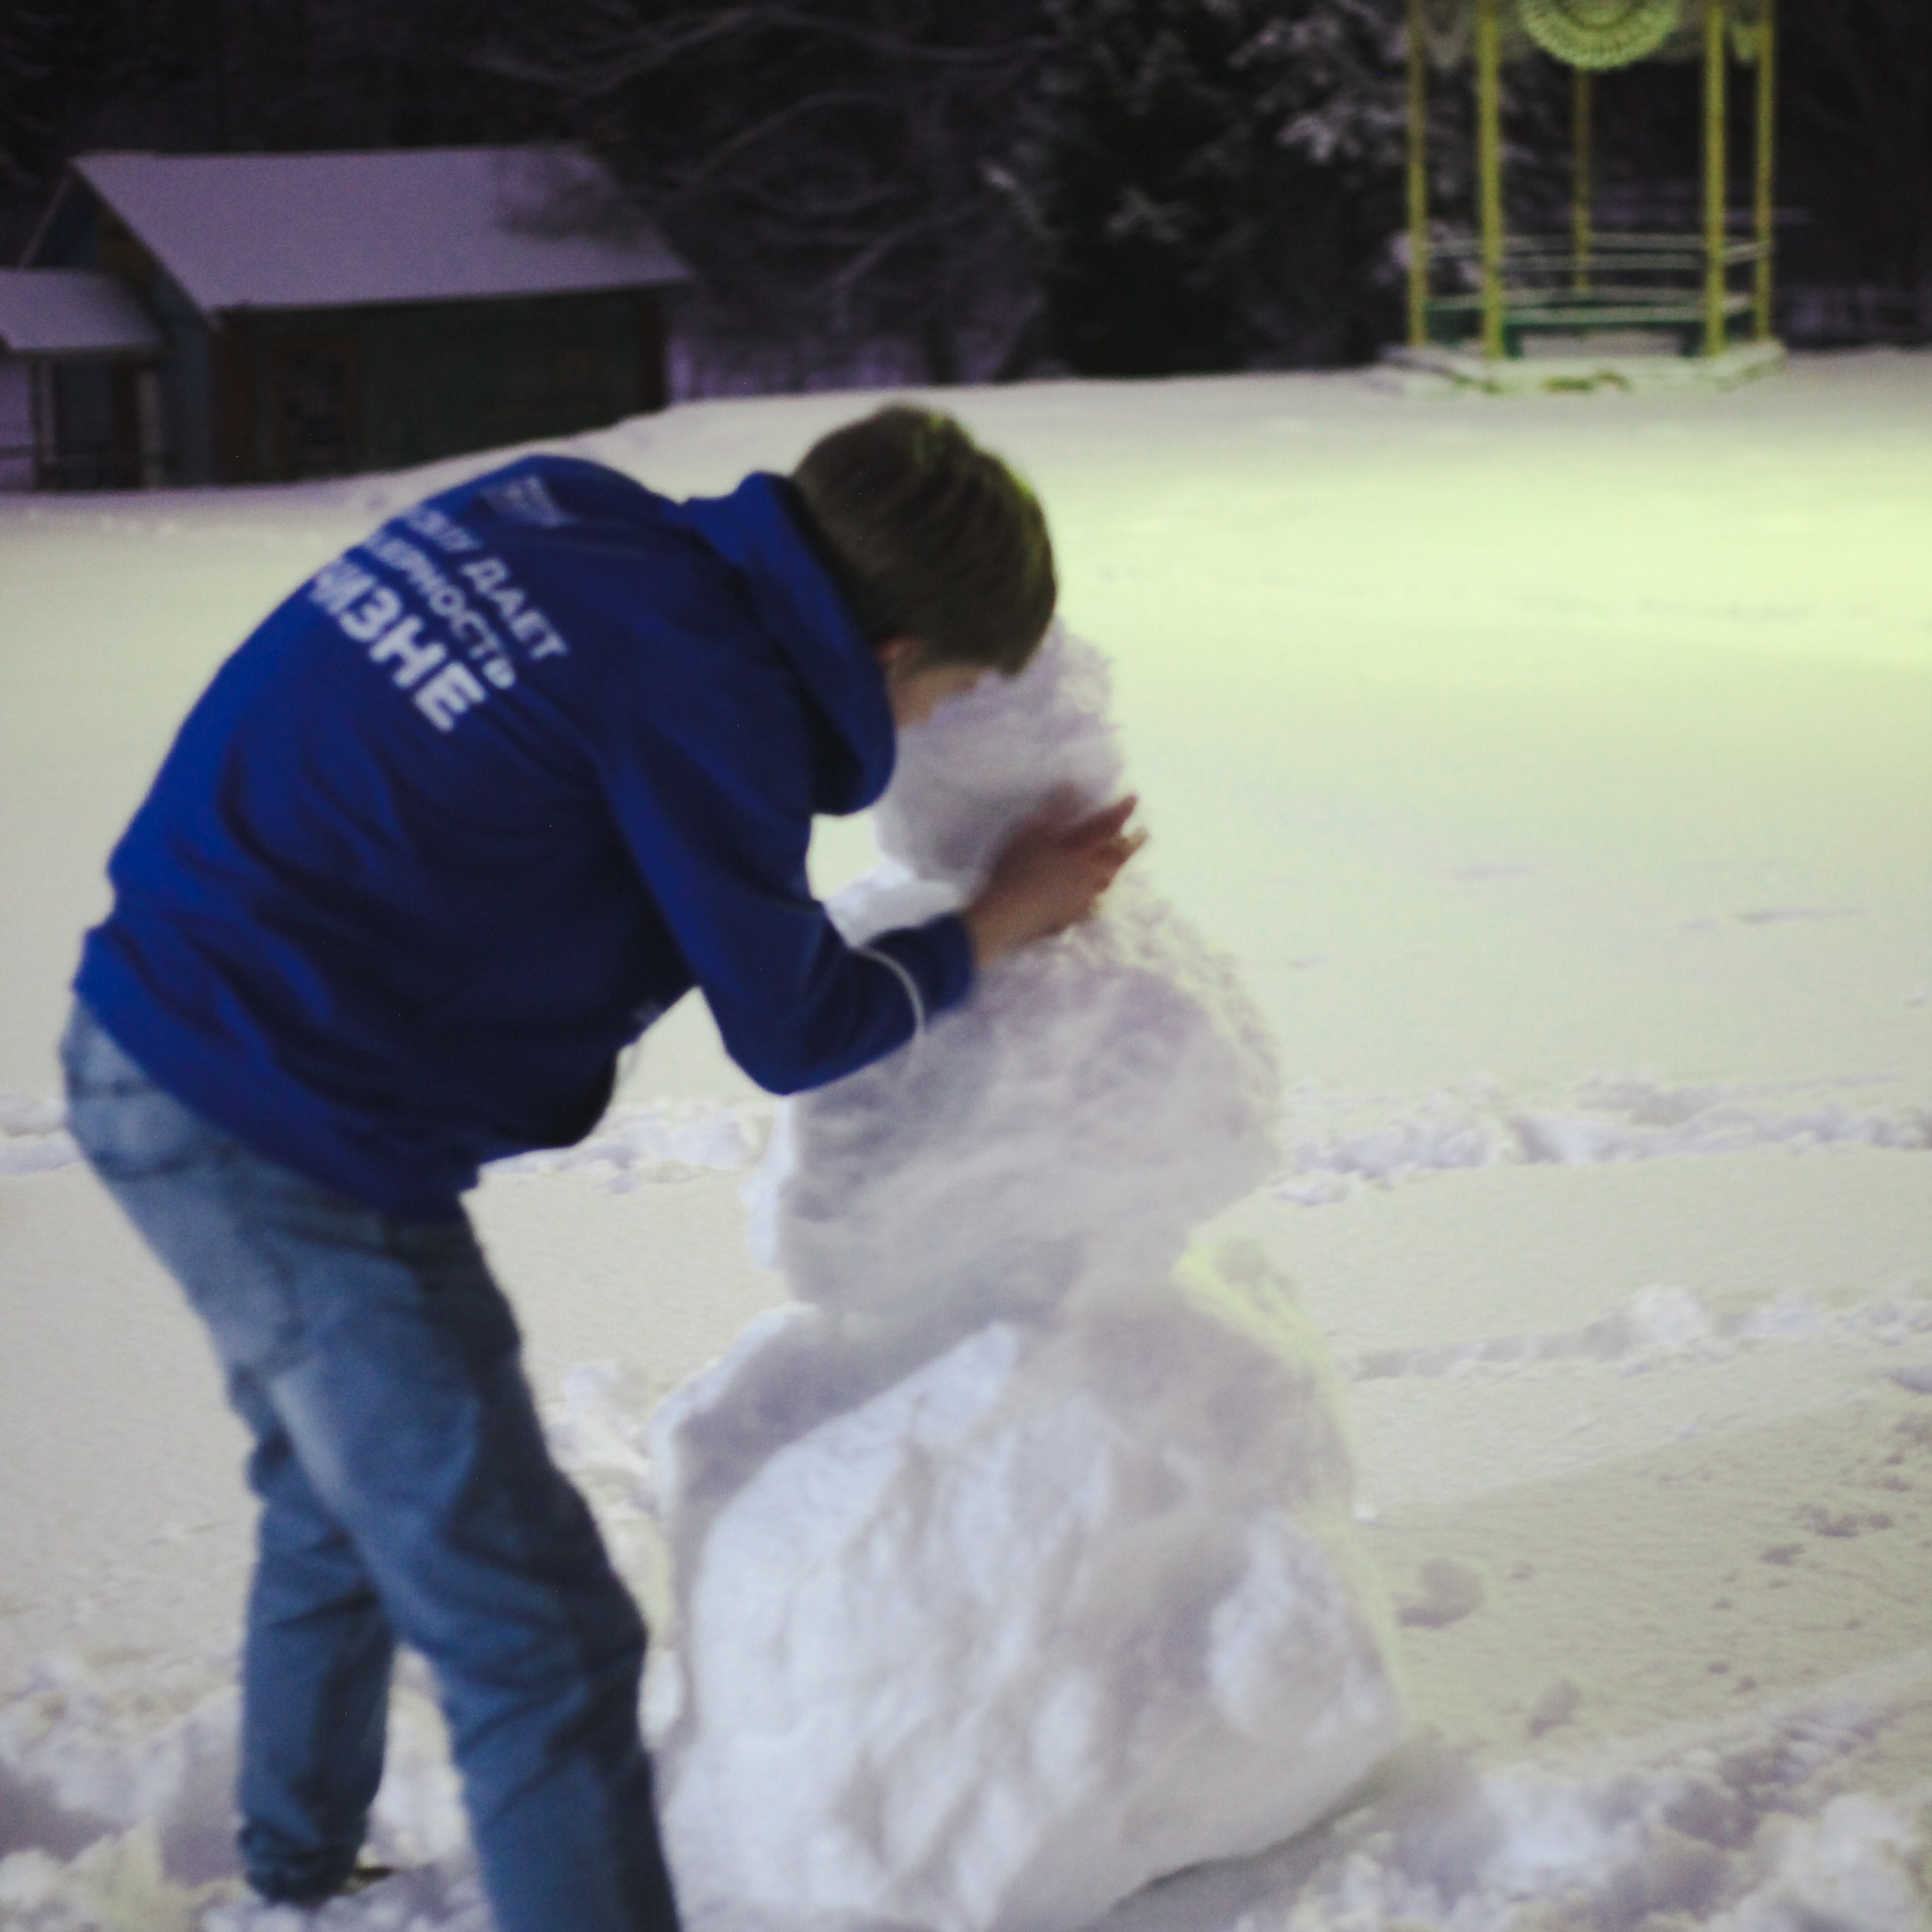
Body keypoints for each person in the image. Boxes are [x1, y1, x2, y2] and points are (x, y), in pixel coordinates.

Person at [60, 405, 1141, 1932]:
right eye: (951, 688)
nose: (928, 722)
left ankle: (295, 1876)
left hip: (157, 1026)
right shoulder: (709, 687)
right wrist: (988, 924)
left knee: (338, 1493)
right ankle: (314, 1867)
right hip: (279, 1126)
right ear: (889, 649)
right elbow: (794, 1021)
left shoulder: (566, 510)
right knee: (546, 1638)